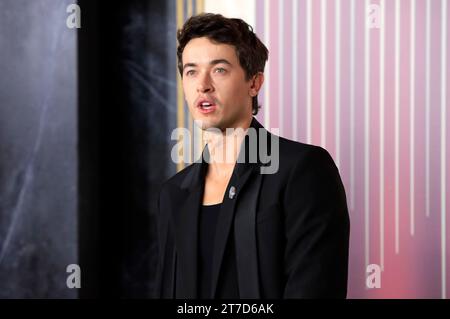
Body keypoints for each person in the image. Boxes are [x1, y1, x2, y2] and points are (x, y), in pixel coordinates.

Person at [154, 13, 350, 299]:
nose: (203, 84)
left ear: (254, 83)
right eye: (191, 71)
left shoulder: (303, 169)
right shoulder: (173, 192)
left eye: (219, 69)